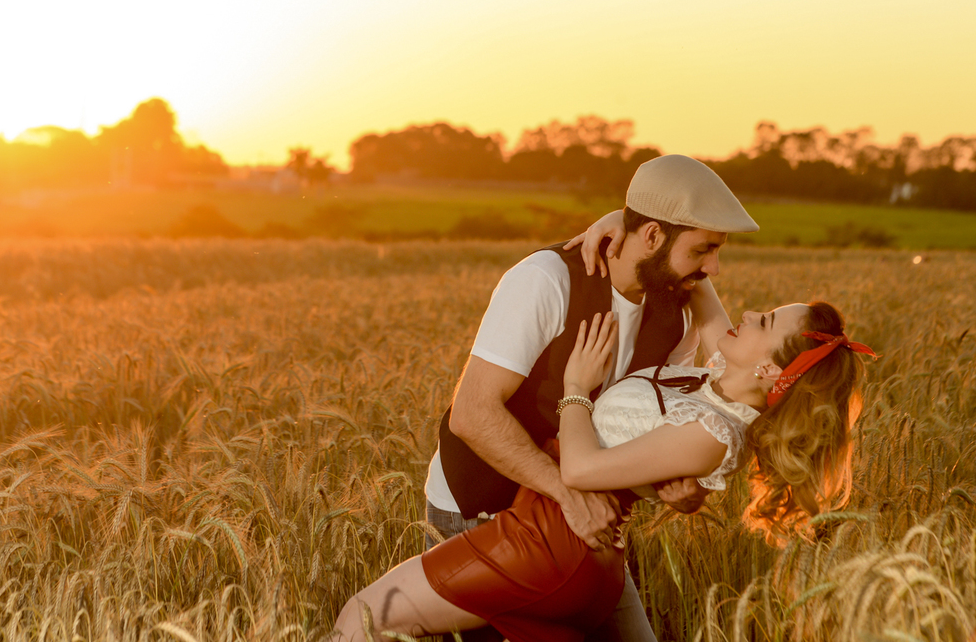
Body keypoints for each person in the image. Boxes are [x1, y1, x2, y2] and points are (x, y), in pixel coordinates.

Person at [332, 299, 873, 642]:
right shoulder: (711, 381)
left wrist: (575, 386)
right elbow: (704, 281)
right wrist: (612, 224)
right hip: (565, 541)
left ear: (769, 370)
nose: (750, 314)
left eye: (766, 321)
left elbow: (583, 470)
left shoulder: (713, 430)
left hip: (549, 545)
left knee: (361, 617)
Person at [422, 154, 758, 641]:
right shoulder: (547, 279)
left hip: (581, 519)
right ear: (651, 237)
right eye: (704, 250)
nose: (715, 267)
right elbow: (472, 414)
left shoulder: (677, 313)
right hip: (479, 510)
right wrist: (565, 491)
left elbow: (680, 414)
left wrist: (682, 482)